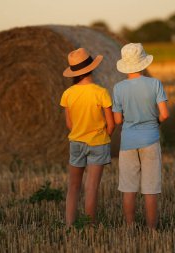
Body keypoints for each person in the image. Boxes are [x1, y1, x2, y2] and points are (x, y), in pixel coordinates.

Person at [112, 43, 169, 229]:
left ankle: (130, 227)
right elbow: (165, 114)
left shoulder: (118, 88)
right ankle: (151, 229)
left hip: (128, 141)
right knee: (150, 189)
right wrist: (155, 123)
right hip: (151, 139)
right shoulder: (155, 84)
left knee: (129, 188)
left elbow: (118, 120)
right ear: (143, 63)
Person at [60, 48, 115, 226]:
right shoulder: (101, 92)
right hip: (98, 143)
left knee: (73, 187)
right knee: (91, 188)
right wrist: (104, 137)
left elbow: (69, 124)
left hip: (76, 142)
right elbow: (111, 123)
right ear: (92, 68)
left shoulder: (67, 94)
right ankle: (90, 226)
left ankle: (69, 225)